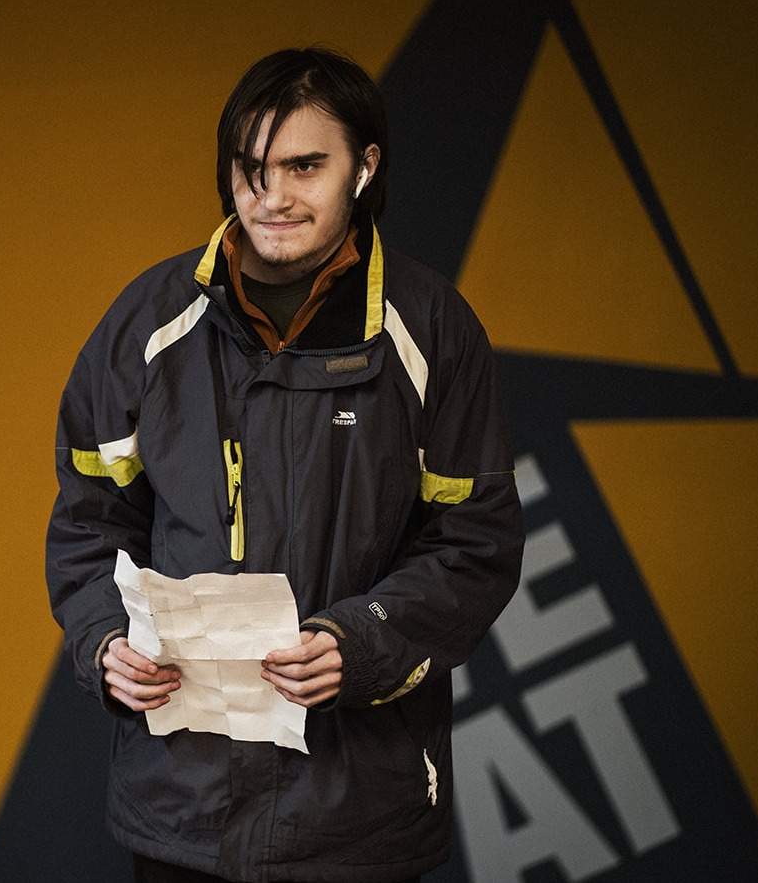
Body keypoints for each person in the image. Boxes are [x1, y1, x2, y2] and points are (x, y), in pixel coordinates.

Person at [46, 47, 524, 882]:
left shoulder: (432, 329)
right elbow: (89, 527)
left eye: (305, 166)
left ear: (364, 167)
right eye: (251, 168)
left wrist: (361, 642)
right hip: (179, 809)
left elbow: (475, 544)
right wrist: (105, 640)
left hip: (358, 815)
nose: (272, 197)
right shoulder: (145, 325)